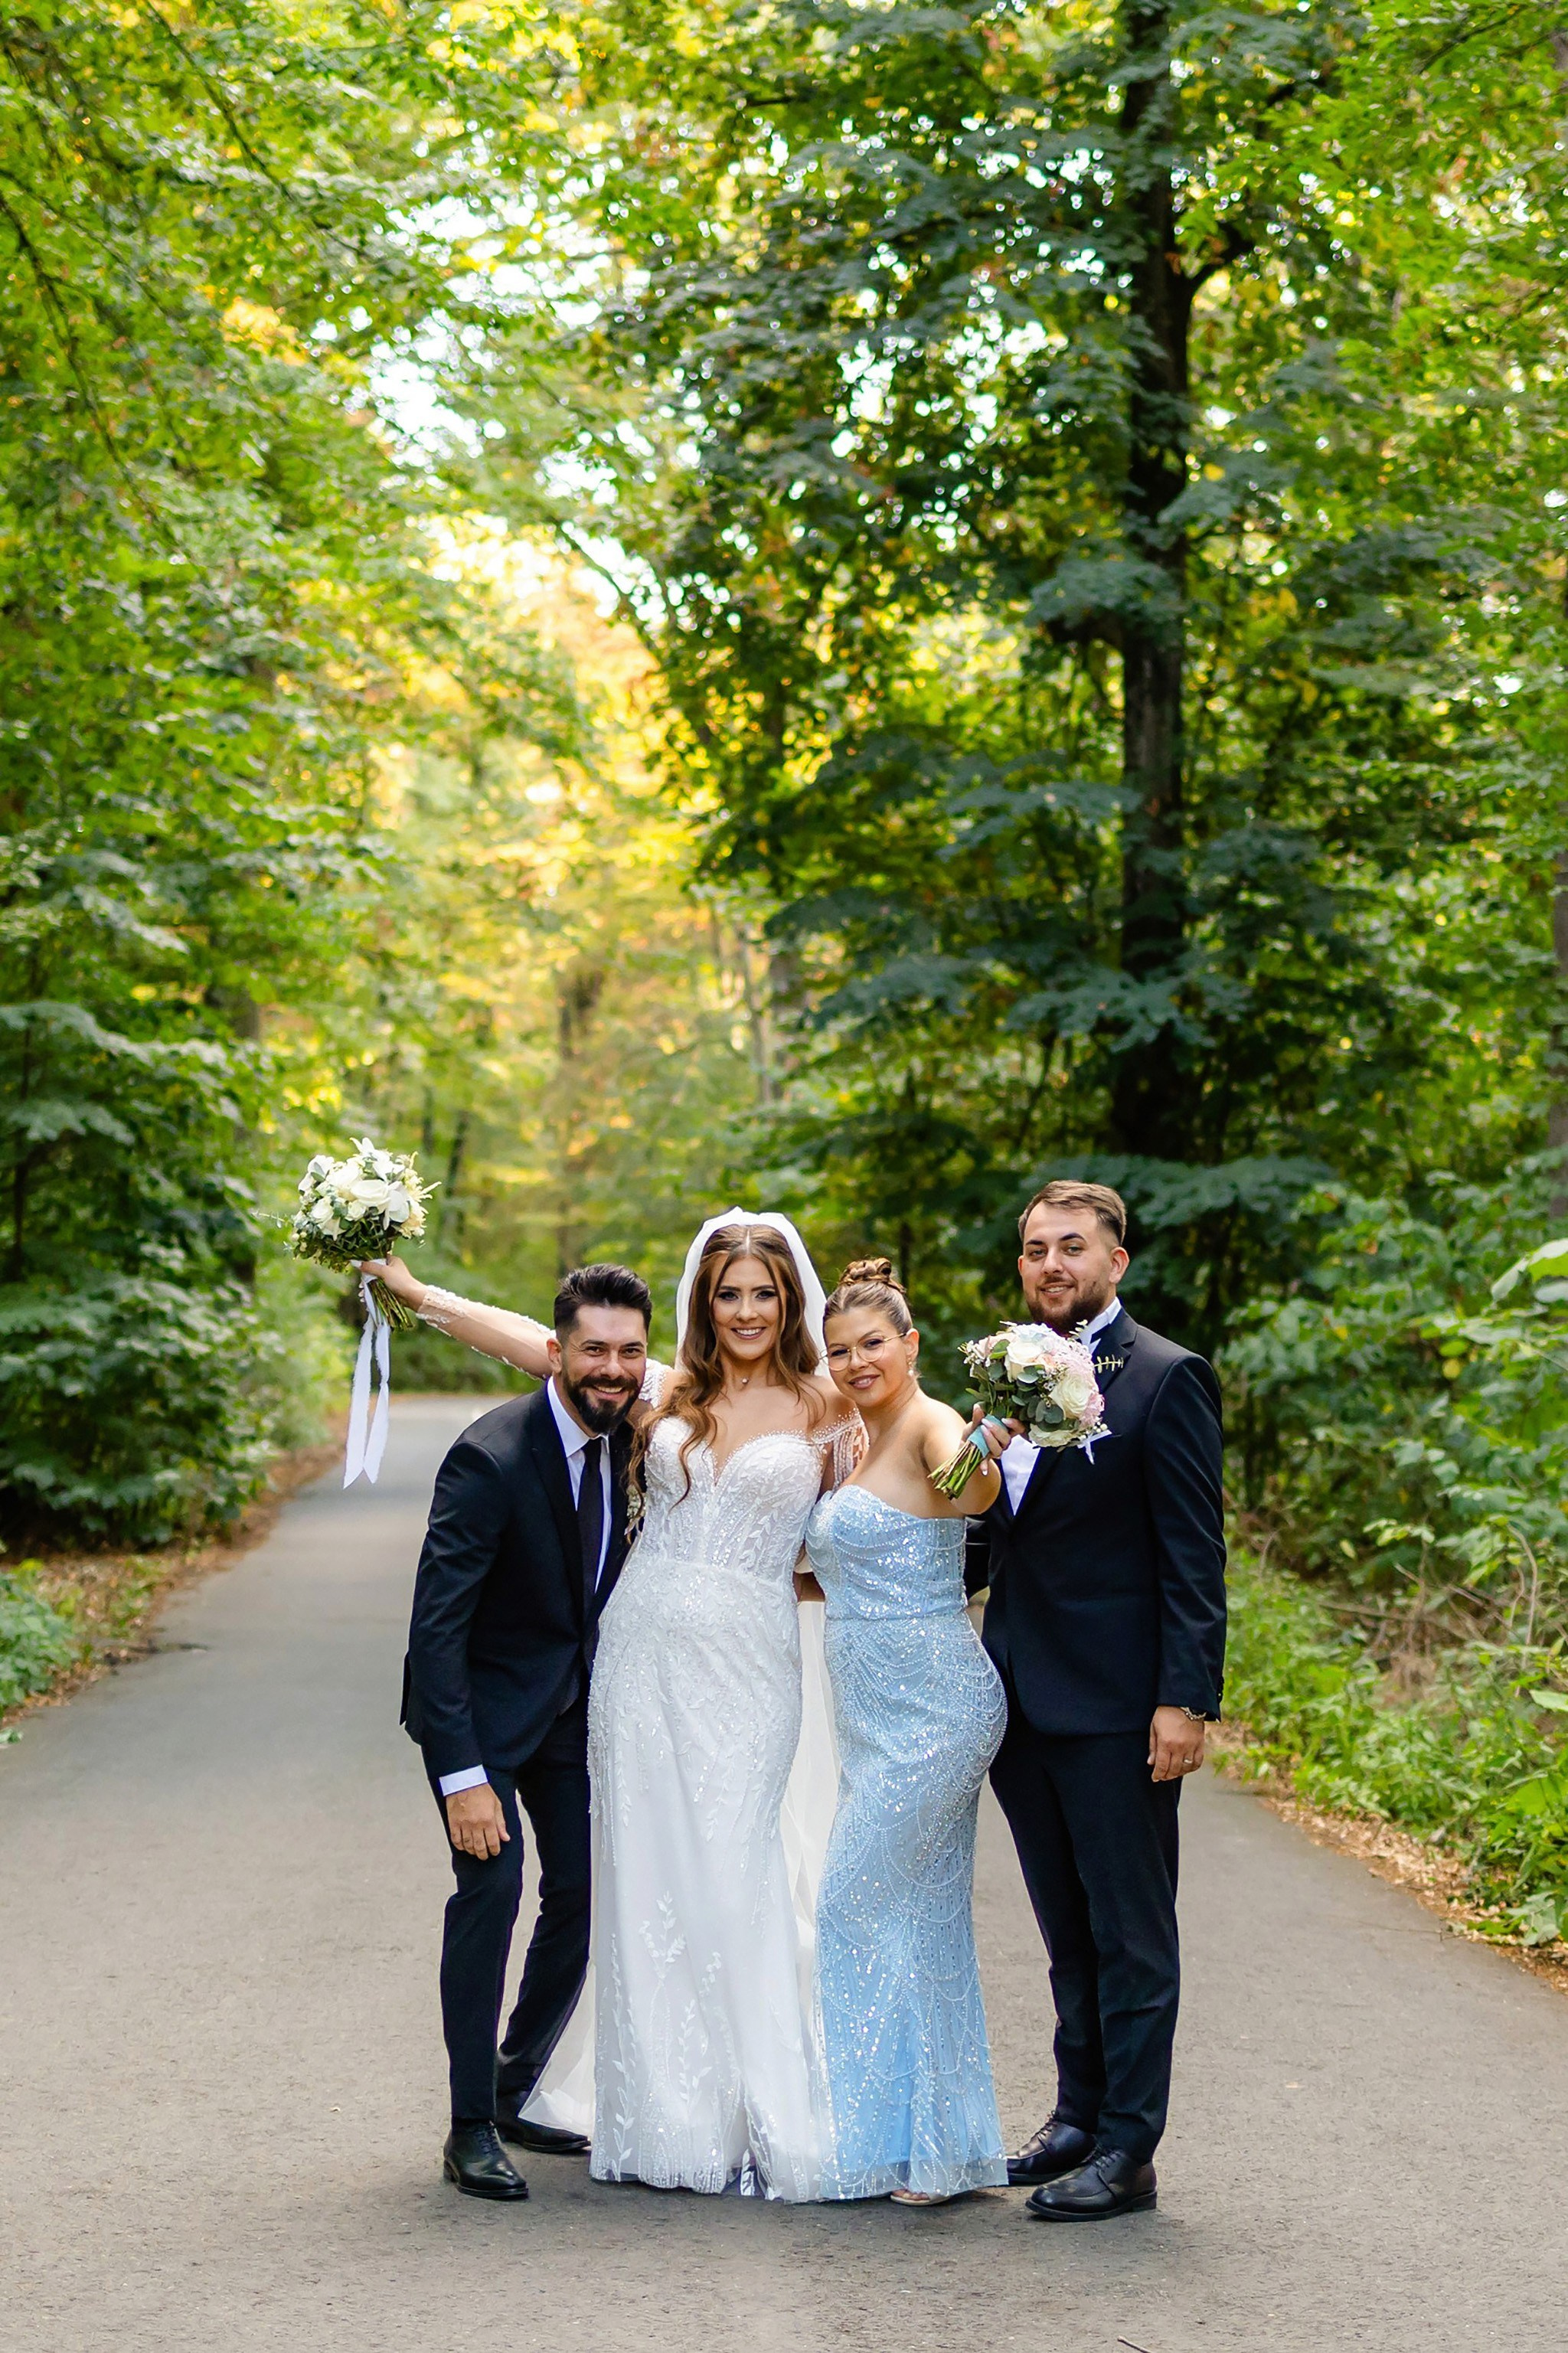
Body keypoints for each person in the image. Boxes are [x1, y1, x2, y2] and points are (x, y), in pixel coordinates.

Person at [375, 1212, 858, 2199]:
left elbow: (867, 1525)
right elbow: (536, 1343)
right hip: (636, 1665)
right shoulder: (668, 1389)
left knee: (735, 1864)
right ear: (704, 1302)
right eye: (728, 1292)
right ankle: (650, 2109)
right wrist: (420, 1297)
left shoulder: (829, 1407)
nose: (747, 1310)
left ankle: (750, 2095)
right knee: (636, 1876)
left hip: (750, 1664)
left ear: (789, 1299)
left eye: (763, 1292)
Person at [967, 1179, 1227, 2221]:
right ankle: (1077, 2115)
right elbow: (996, 1535)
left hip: (1120, 1704)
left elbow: (1192, 1557)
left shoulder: (1165, 1379)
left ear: (1117, 1260)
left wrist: (1185, 1700)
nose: (1049, 1266)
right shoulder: (1005, 1379)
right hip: (1021, 1700)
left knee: (1130, 1932)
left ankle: (1129, 2148)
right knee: (1064, 1928)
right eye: (1034, 1250)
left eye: (1071, 1247)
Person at [401, 1261, 652, 2201]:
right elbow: (437, 1627)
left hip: (571, 1711)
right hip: (482, 1718)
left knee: (586, 1891)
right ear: (557, 1352)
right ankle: (469, 2126)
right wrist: (461, 1775)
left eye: (629, 1352)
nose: (613, 1369)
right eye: (595, 1350)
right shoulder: (490, 1456)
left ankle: (515, 2083)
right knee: (492, 1888)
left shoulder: (634, 1440)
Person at [805, 1260, 1009, 2206]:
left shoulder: (929, 1423)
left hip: (936, 1711)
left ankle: (868, 2139)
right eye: (839, 1350)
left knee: (849, 1901)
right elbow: (845, 1566)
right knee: (921, 1919)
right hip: (875, 1716)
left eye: (871, 1345)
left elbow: (970, 1497)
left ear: (910, 1344)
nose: (853, 1362)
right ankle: (941, 2150)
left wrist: (987, 1445)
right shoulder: (857, 1437)